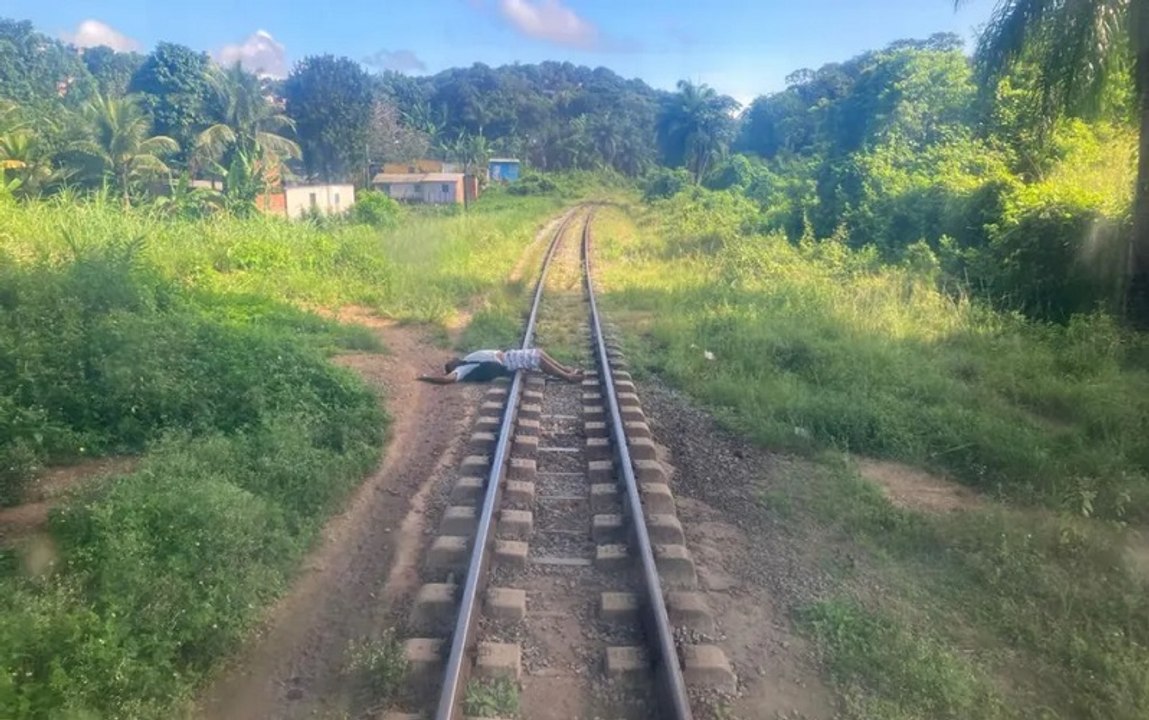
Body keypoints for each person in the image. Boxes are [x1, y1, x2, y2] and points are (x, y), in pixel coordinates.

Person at [417, 348, 584, 384]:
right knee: (537, 359)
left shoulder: (467, 357)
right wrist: (425, 378)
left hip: (508, 356)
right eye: (450, 362)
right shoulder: (462, 368)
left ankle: (566, 369)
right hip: (507, 363)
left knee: (539, 353)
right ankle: (568, 377)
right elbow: (446, 380)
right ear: (453, 367)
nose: (452, 359)